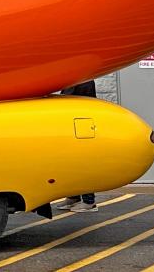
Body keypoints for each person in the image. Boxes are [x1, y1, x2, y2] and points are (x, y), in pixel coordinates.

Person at [57, 80, 98, 212]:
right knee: (73, 164)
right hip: (76, 126)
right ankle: (73, 197)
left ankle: (89, 202)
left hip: (81, 128)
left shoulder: (82, 80)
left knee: (83, 165)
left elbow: (66, 102)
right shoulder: (78, 78)